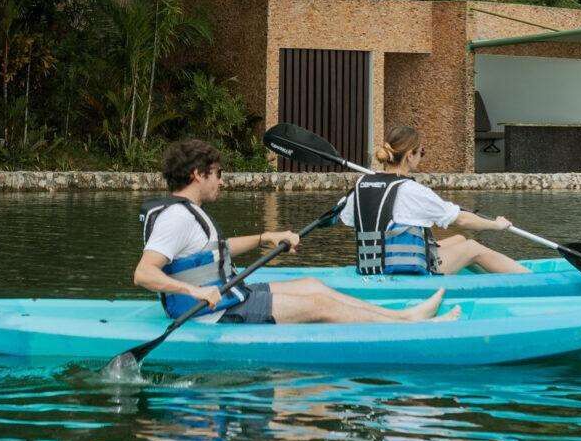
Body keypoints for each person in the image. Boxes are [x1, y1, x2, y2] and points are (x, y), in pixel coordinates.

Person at [135, 137, 449, 324]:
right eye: (217, 173)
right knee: (320, 306)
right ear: (197, 174)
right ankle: (406, 323)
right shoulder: (175, 218)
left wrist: (265, 238)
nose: (221, 180)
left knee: (313, 285)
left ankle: (401, 317)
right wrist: (196, 292)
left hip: (227, 295)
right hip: (209, 312)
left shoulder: (187, 212)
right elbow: (144, 273)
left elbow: (213, 250)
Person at [341, 125, 527, 277]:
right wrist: (496, 225)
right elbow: (462, 220)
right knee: (472, 248)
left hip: (369, 264)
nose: (421, 157)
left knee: (460, 239)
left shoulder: (361, 184)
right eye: (421, 152)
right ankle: (530, 279)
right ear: (409, 155)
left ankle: (488, 279)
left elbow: (345, 217)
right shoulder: (411, 190)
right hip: (400, 269)